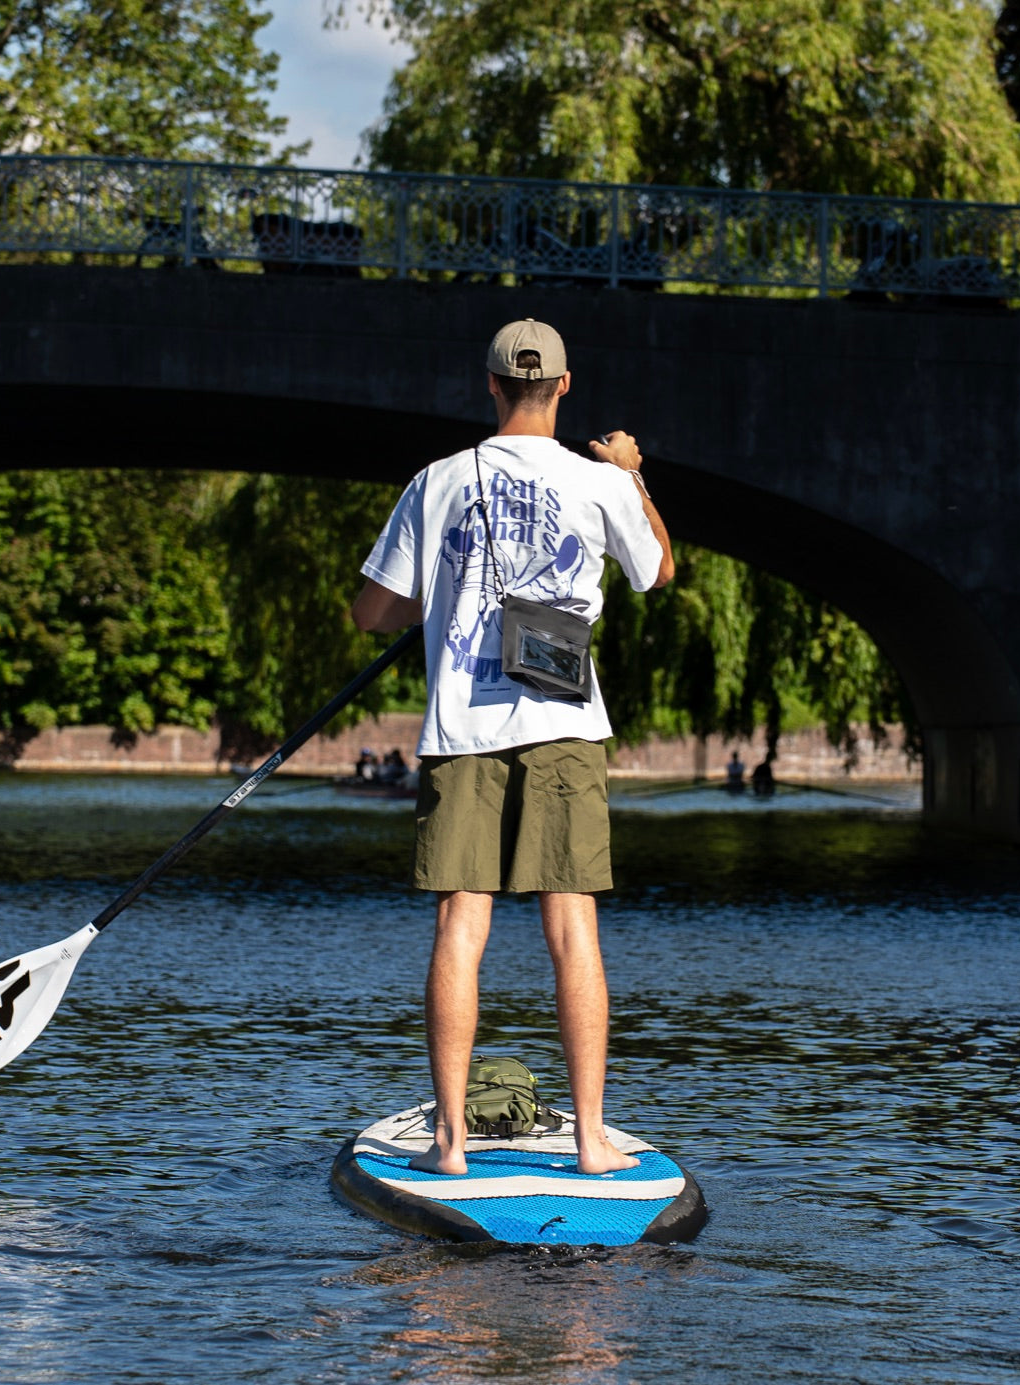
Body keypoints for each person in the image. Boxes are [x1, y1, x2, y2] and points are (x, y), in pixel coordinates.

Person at [351, 317, 674, 1176]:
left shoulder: (438, 480)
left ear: (489, 385)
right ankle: (593, 1142)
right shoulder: (597, 479)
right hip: (565, 728)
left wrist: (438, 600)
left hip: (462, 729)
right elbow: (655, 572)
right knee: (572, 927)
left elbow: (372, 612)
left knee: (462, 922)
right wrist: (632, 478)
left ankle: (452, 1144)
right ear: (564, 388)